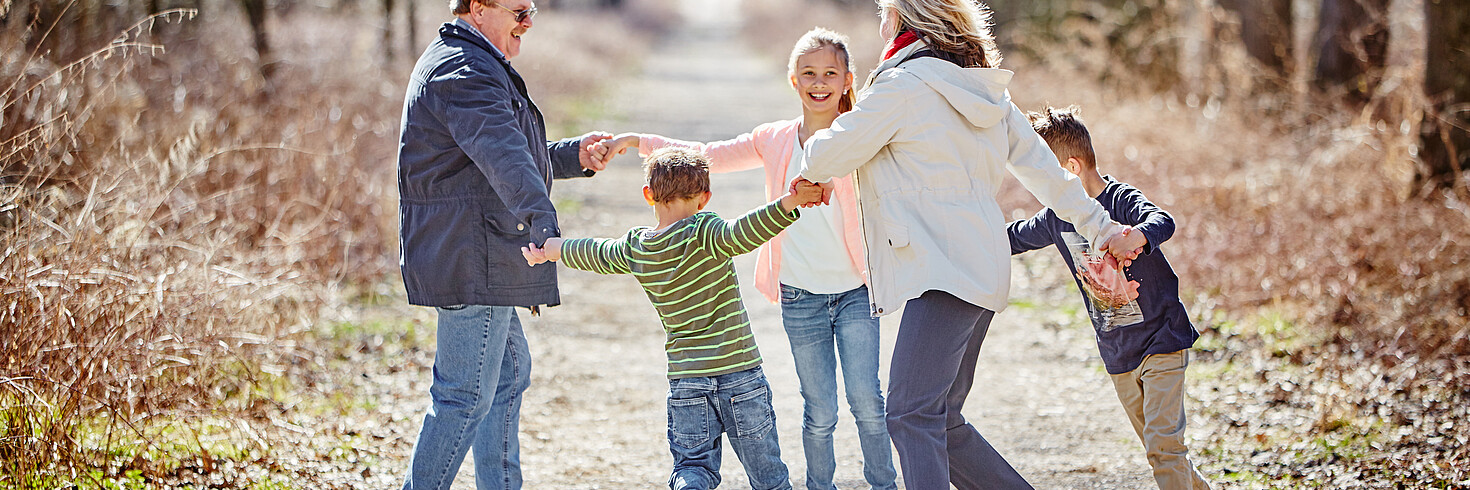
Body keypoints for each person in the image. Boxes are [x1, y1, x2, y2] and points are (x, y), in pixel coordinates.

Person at [793, 1, 1144, 488]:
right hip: (982, 266)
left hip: (943, 272)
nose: (880, 22)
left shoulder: (899, 87)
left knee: (909, 414)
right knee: (941, 420)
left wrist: (817, 134)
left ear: (901, 20)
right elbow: (1048, 172)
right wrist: (1103, 227)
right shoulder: (984, 90)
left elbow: (824, 156)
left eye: (884, 12)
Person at [590, 28, 898, 490]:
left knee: (868, 404)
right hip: (799, 294)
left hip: (855, 290)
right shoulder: (773, 139)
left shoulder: (862, 137)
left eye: (830, 73)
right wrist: (637, 141)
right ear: (792, 80)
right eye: (808, 73)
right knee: (819, 412)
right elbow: (705, 154)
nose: (819, 82)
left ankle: (884, 484)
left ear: (848, 80)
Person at [393, 0, 612, 487]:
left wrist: (574, 156)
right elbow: (506, 160)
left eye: (531, 9)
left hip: (476, 248)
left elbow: (503, 152)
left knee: (508, 375)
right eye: (518, 10)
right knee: (463, 397)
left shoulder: (471, 61)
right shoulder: (464, 70)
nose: (528, 21)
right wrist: (544, 223)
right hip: (473, 256)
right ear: (476, 7)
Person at [520, 148, 821, 490]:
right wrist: (789, 202)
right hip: (740, 376)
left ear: (648, 194)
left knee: (693, 467)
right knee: (768, 475)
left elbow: (595, 251)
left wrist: (552, 250)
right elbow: (743, 232)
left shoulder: (637, 247)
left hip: (687, 381)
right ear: (704, 198)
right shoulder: (704, 231)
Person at [1008, 106, 1210, 490]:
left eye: (1043, 176)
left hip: (1161, 339)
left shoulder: (1120, 200)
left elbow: (1161, 220)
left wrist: (1137, 236)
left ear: (1069, 168)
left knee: (1164, 449)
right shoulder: (1055, 217)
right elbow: (1012, 237)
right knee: (1164, 452)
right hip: (1118, 354)